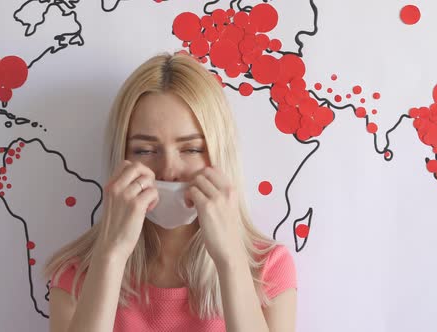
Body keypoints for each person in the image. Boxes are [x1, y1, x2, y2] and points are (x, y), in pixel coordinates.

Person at [44, 52, 297, 332]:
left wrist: (230, 260)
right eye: (145, 150)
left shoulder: (268, 269)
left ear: (218, 155)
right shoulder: (76, 273)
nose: (168, 170)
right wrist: (111, 255)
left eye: (191, 149)